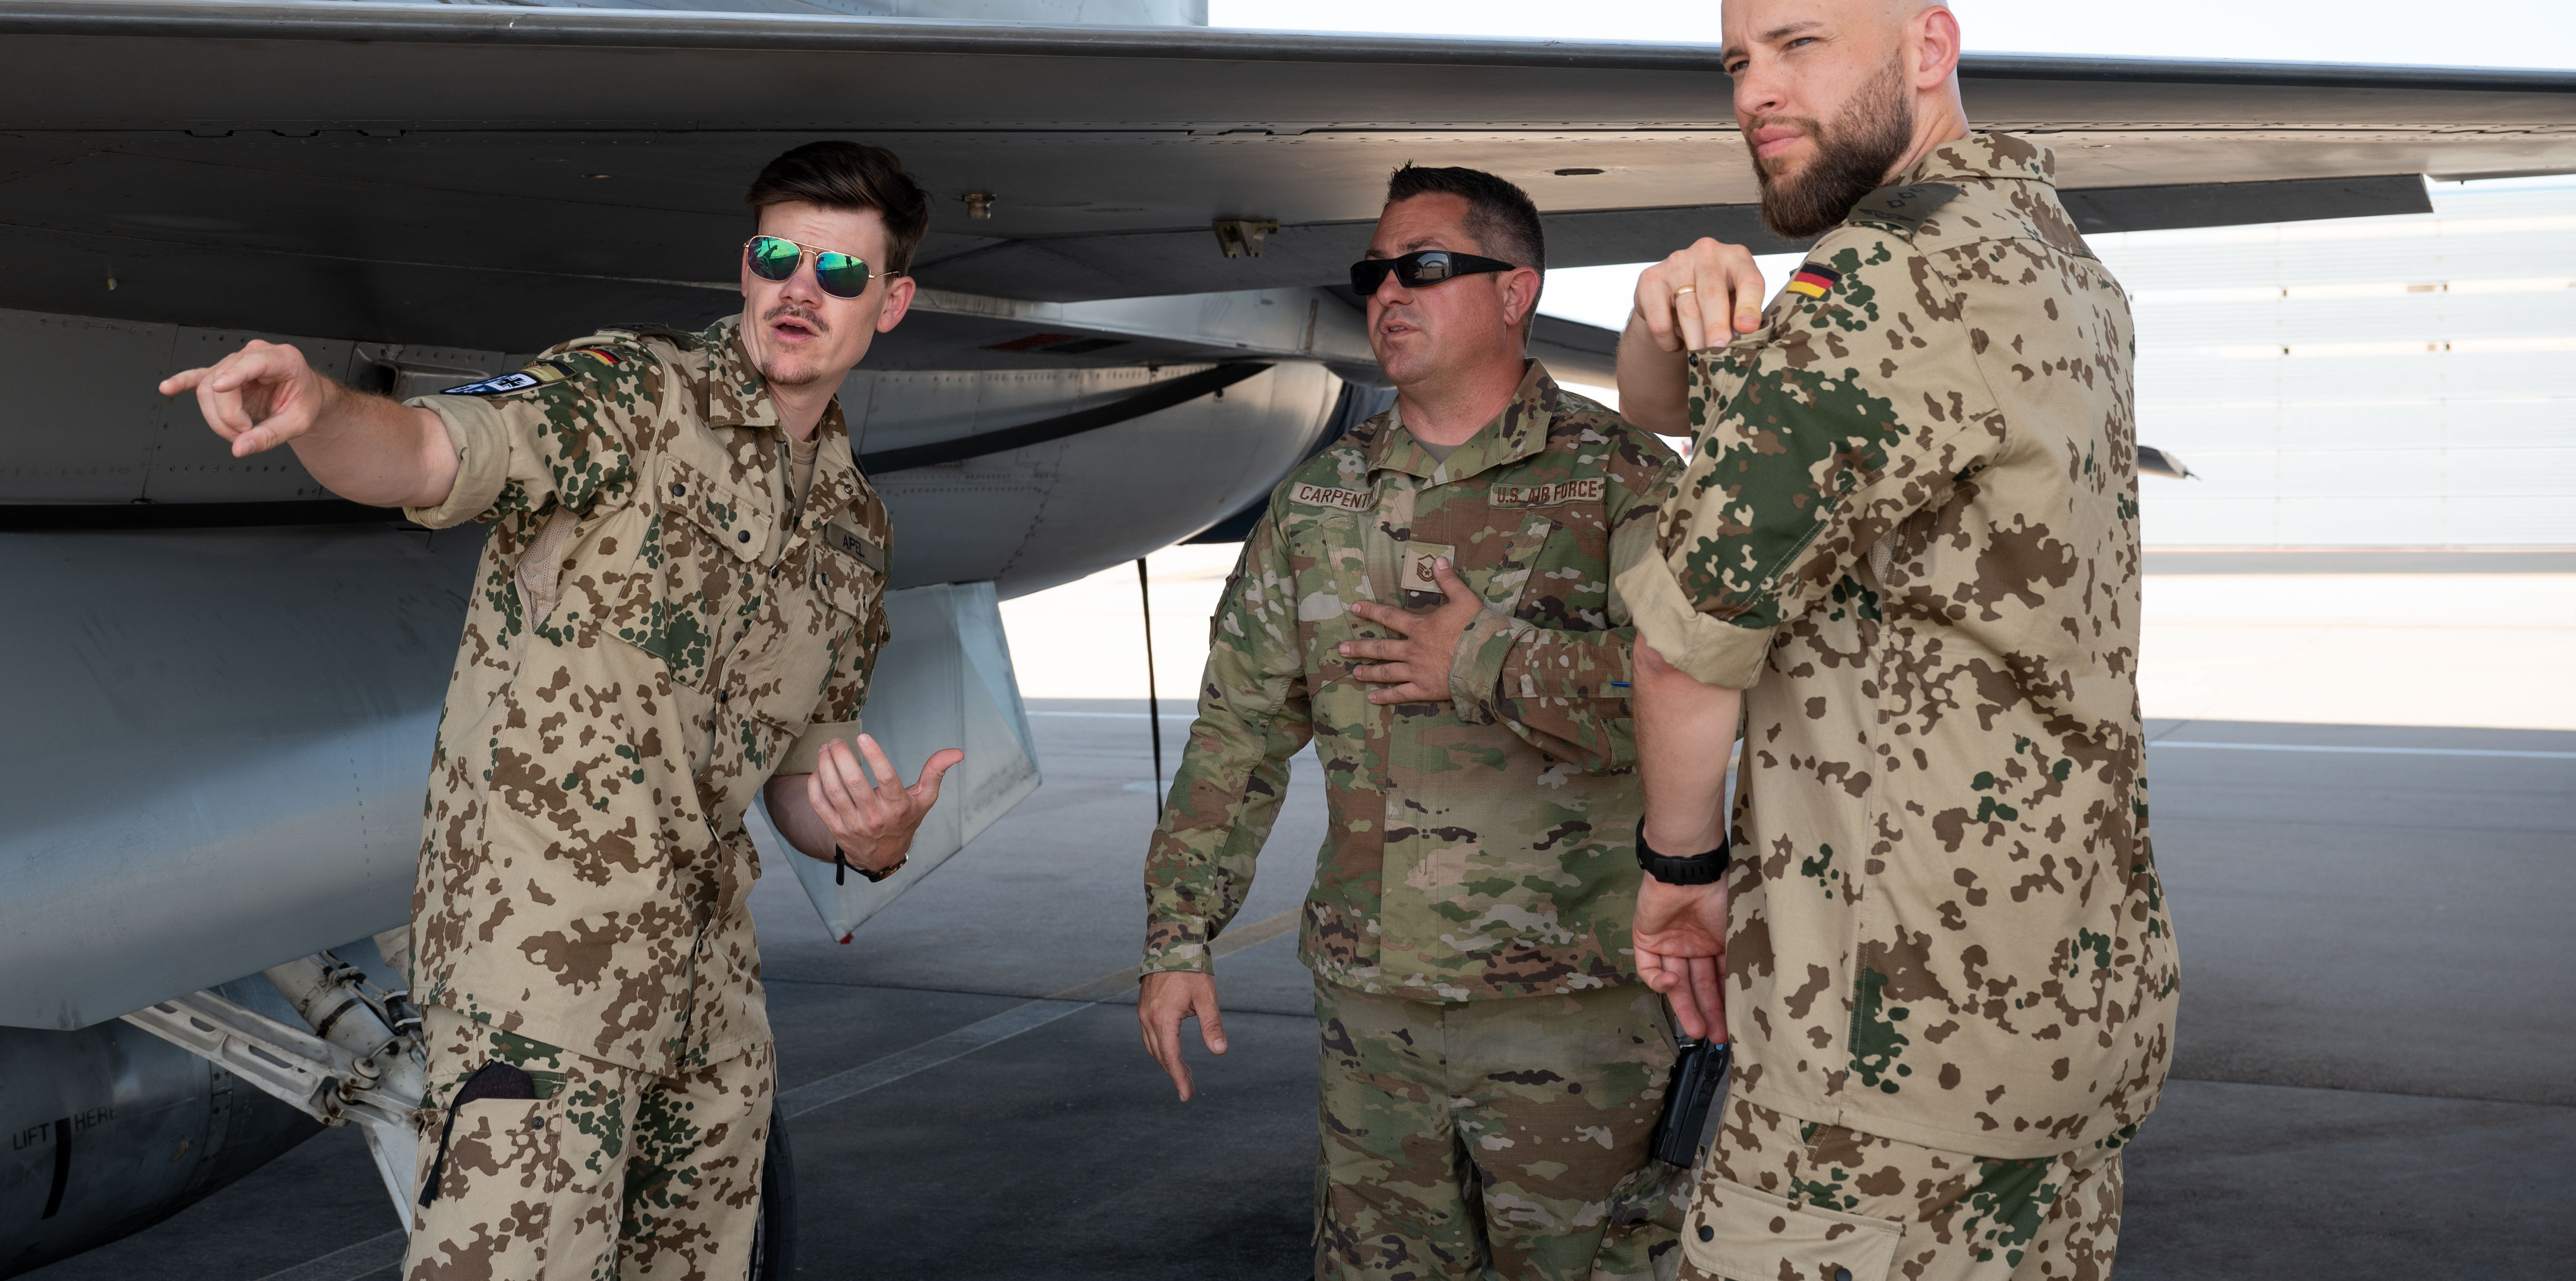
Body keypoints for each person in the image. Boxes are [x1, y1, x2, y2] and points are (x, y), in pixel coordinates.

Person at [160, 141, 961, 1281]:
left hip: (709, 1009)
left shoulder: (849, 524)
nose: (800, 289)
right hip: (539, 990)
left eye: (840, 273)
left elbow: (797, 766)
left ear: (891, 301)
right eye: (778, 255)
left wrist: (865, 838)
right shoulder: (627, 396)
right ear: (746, 265)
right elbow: (438, 450)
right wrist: (323, 408)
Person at [1613, 0, 2177, 1278]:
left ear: (1931, 50)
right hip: (2063, 1019)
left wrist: (1679, 876)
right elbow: (1765, 479)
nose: (1756, 93)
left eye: (1801, 47)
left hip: (1881, 1071)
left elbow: (1688, 636)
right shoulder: (2061, 267)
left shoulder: (1886, 278)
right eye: (1739, 61)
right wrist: (1660, 336)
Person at [1139, 163, 1691, 1280]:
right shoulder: (1321, 500)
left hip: (1575, 1017)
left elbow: (1694, 689)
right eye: (1376, 270)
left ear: (1514, 289)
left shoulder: (1615, 480)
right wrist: (1176, 935)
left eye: (1427, 266)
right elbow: (1237, 732)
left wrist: (1484, 656)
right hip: (1374, 1018)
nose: (1390, 290)